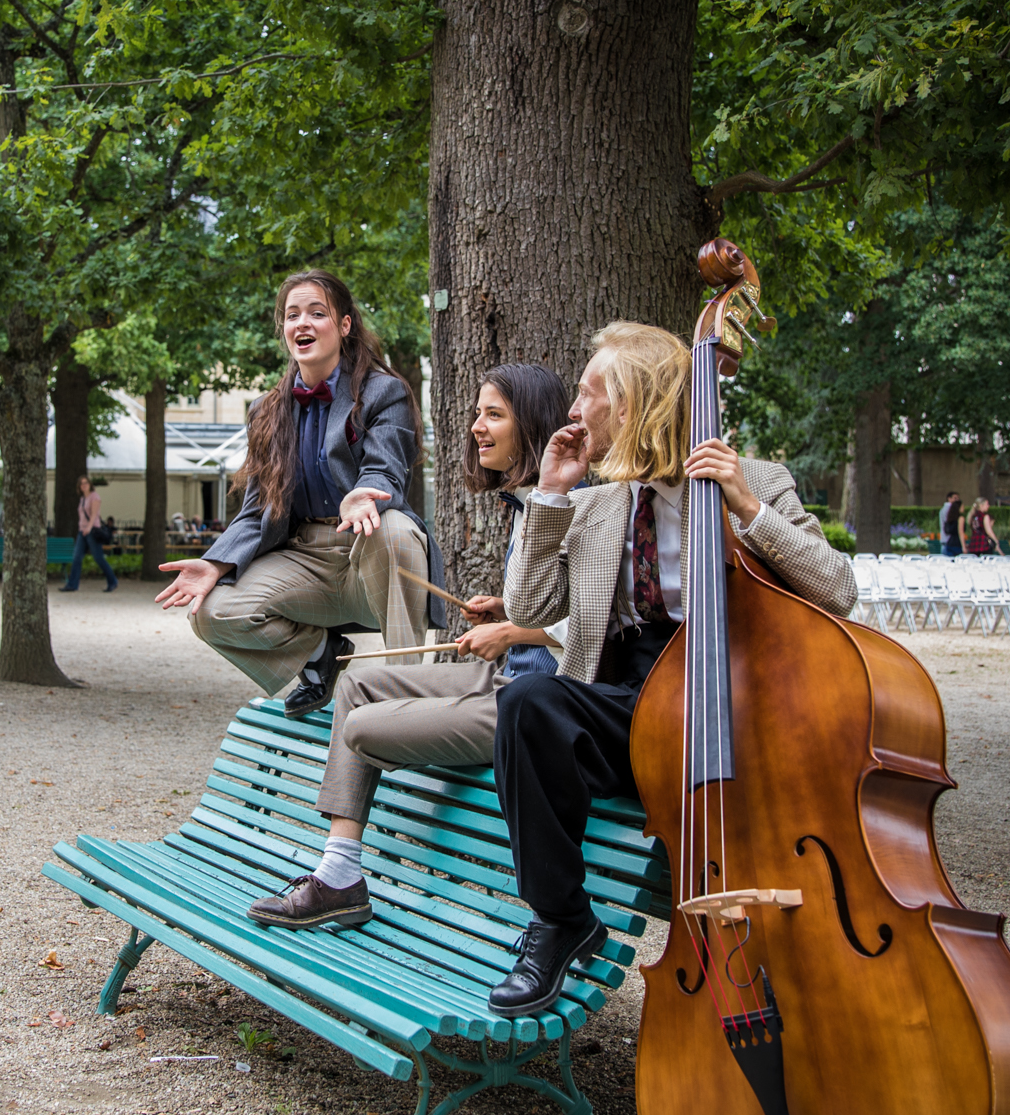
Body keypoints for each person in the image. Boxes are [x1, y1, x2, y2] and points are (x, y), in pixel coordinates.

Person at [482, 322, 857, 1017]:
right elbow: (527, 605)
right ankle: (562, 919)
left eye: (589, 393)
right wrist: (552, 497)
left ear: (632, 405)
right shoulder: (594, 504)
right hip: (632, 701)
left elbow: (835, 590)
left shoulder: (758, 481)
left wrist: (745, 506)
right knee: (529, 703)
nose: (572, 411)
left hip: (732, 712)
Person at [245, 362, 573, 930]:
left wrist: (516, 632)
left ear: (533, 424)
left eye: (493, 414)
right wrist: (507, 610)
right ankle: (340, 874)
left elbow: (605, 624)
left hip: (543, 703)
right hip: (507, 679)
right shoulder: (525, 501)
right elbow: (560, 604)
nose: (476, 426)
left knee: (362, 727)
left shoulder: (580, 504)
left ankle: (341, 875)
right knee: (358, 681)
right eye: (477, 412)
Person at [156, 270, 441, 715]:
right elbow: (257, 511)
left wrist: (364, 492)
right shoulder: (266, 411)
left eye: (316, 313)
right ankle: (319, 655)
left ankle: (406, 702)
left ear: (344, 325)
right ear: (283, 328)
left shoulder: (385, 392)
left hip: (367, 551)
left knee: (398, 530)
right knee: (210, 612)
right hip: (304, 559)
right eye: (292, 315)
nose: (302, 324)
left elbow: (386, 471)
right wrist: (215, 562)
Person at [61, 475, 118, 593]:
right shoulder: (82, 499)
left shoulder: (94, 497)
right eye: (81, 483)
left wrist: (89, 527)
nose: (84, 485)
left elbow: (94, 514)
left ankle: (112, 581)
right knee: (76, 557)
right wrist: (82, 528)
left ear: (90, 484)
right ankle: (72, 584)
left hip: (92, 531)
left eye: (86, 483)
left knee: (98, 558)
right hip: (82, 531)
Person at [938, 491, 963, 557]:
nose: (957, 500)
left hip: (945, 540)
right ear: (949, 498)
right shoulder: (948, 509)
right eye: (955, 498)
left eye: (958, 498)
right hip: (948, 540)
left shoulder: (943, 509)